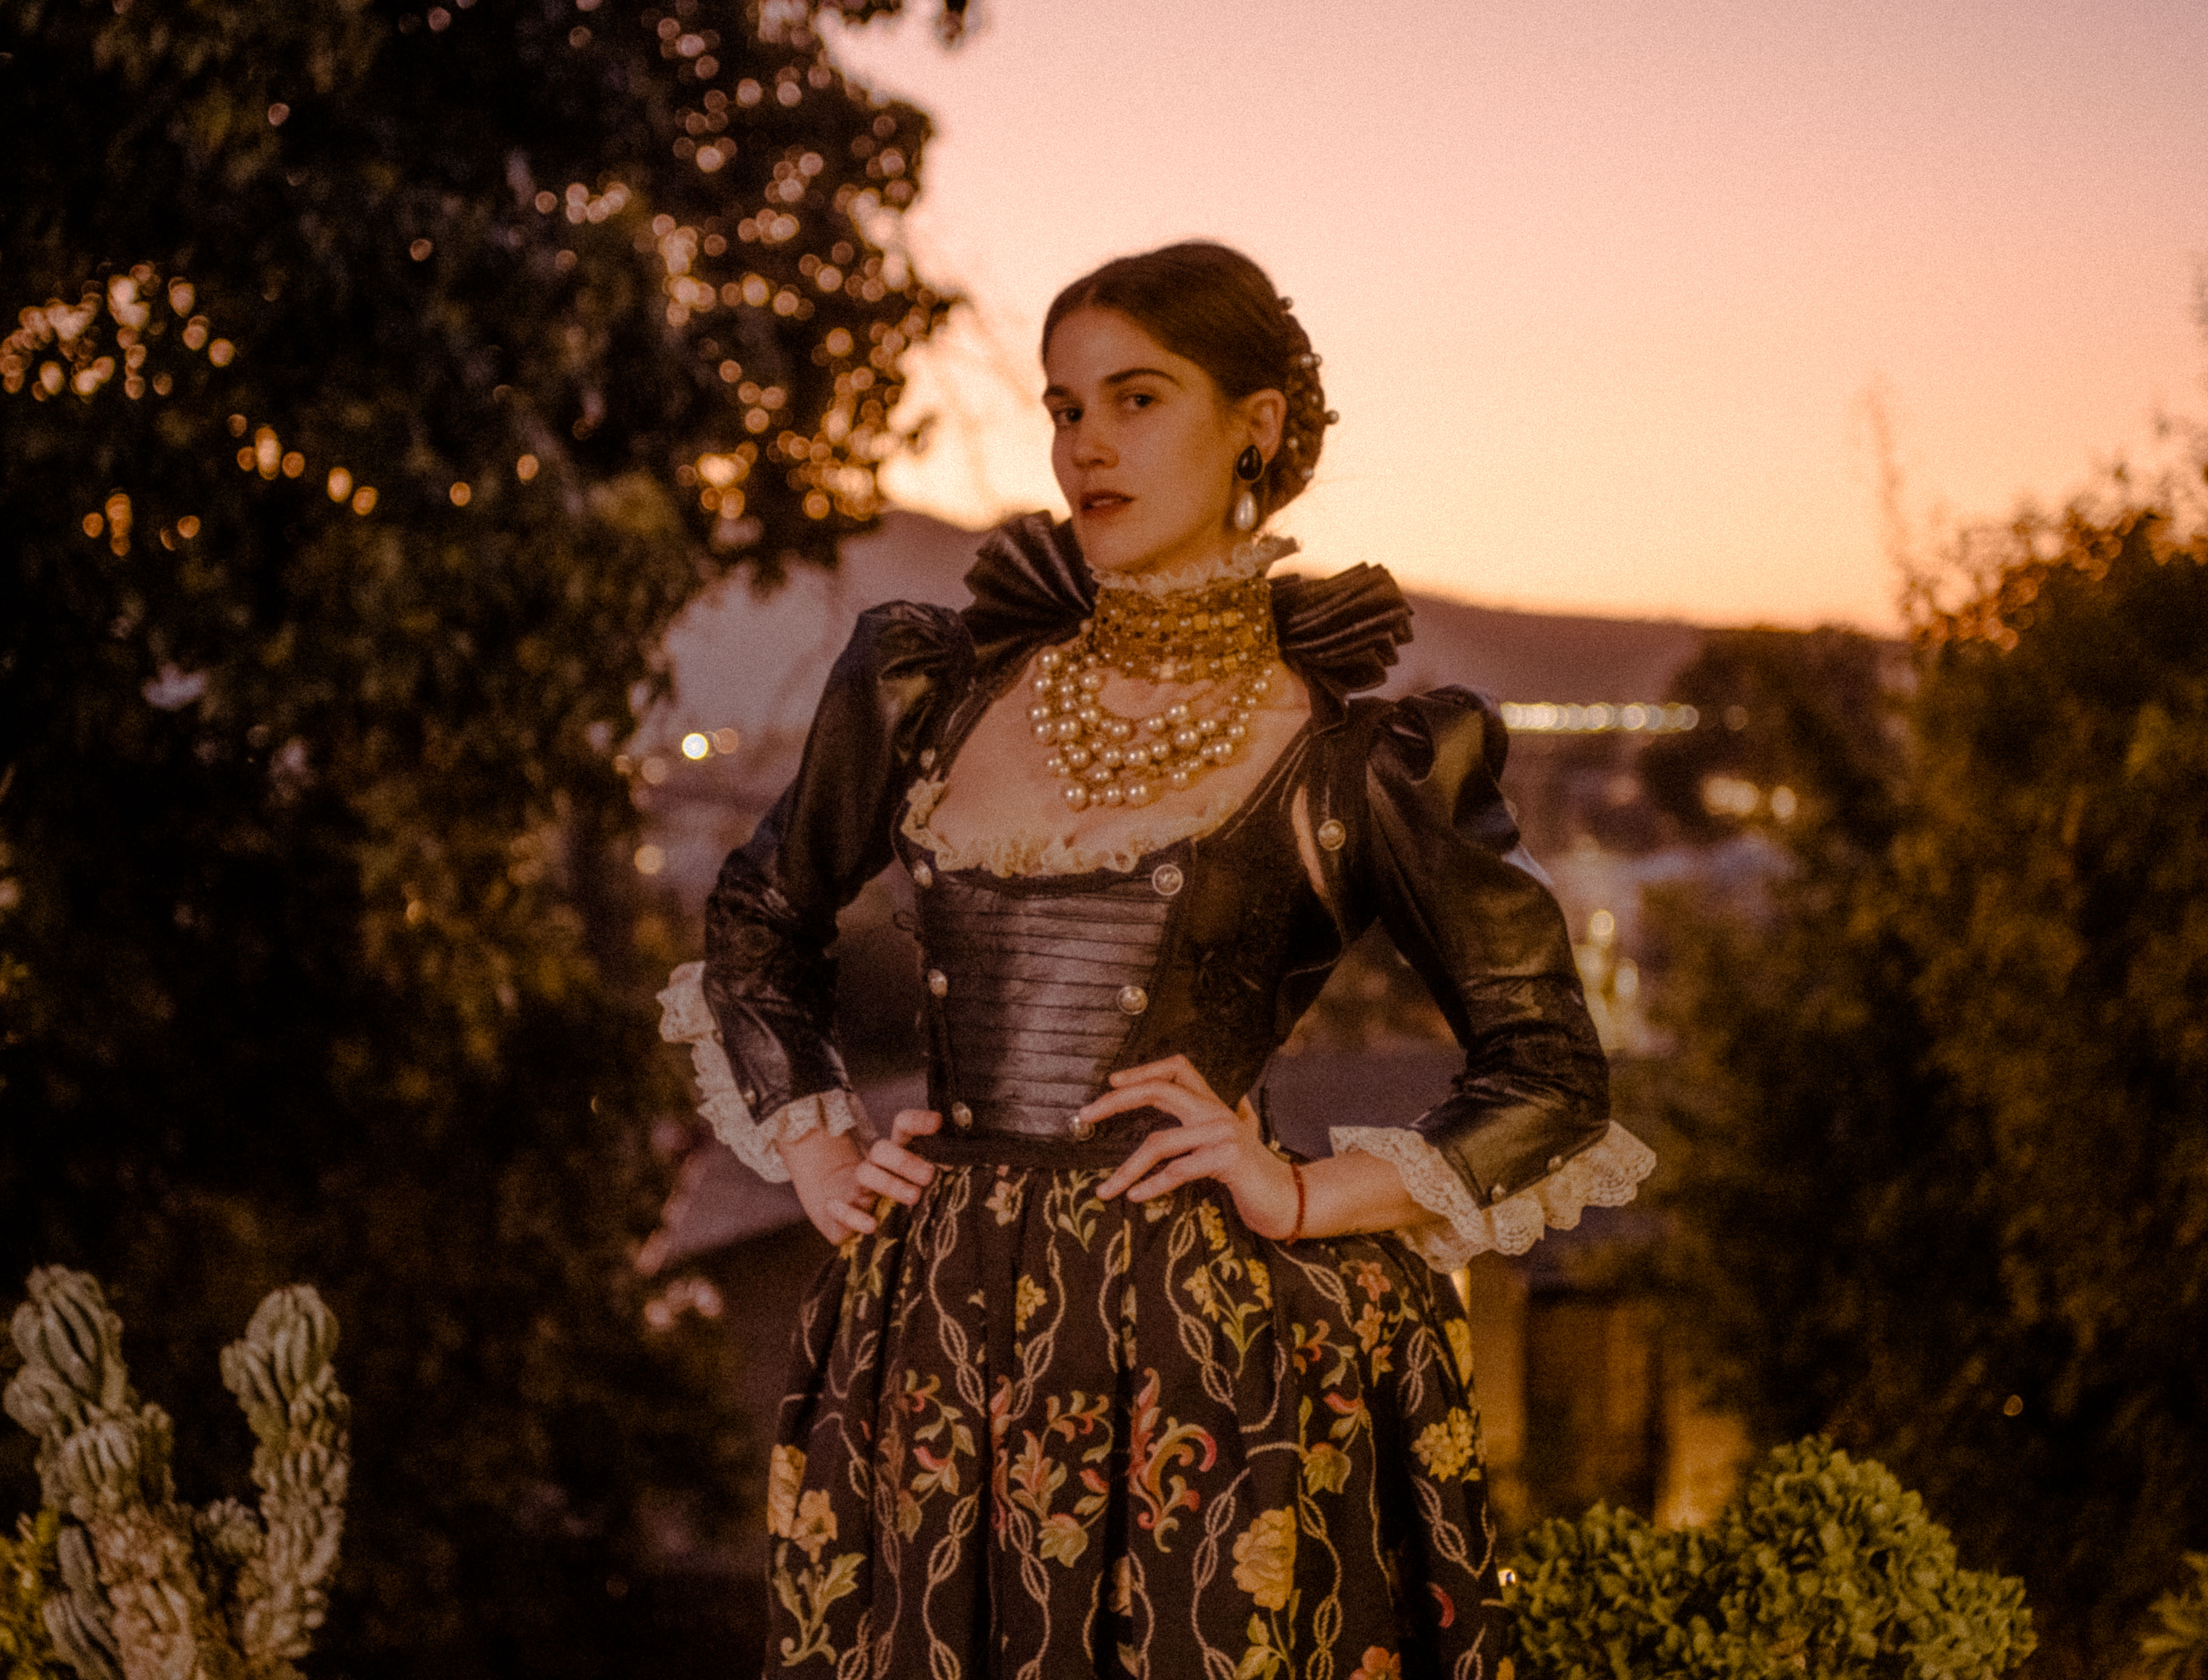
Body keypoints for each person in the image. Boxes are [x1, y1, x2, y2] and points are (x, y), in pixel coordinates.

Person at [658, 241, 1653, 1680]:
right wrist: (816, 1142)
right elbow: (763, 914)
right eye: (1065, 408)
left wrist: (1304, 1191)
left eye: (1136, 399)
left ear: (1255, 425)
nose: (1087, 446)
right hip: (934, 1333)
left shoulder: (1360, 758)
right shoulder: (930, 686)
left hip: (1200, 1352)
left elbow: (1550, 1073)